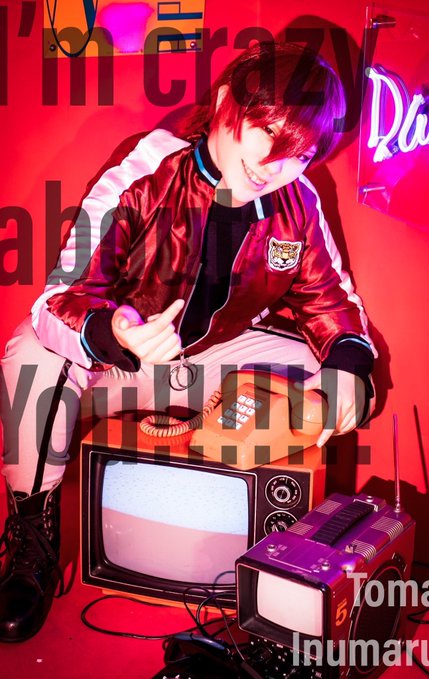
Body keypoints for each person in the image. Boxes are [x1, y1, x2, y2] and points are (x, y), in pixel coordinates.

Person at [0, 42, 376, 642]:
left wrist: (349, 368)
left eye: (300, 152)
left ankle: (270, 544)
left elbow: (334, 305)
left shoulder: (298, 201)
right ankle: (31, 535)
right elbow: (58, 299)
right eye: (265, 131)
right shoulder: (148, 166)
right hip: (120, 360)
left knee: (334, 376)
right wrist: (113, 331)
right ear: (226, 101)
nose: (275, 164)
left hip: (213, 360)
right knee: (31, 357)